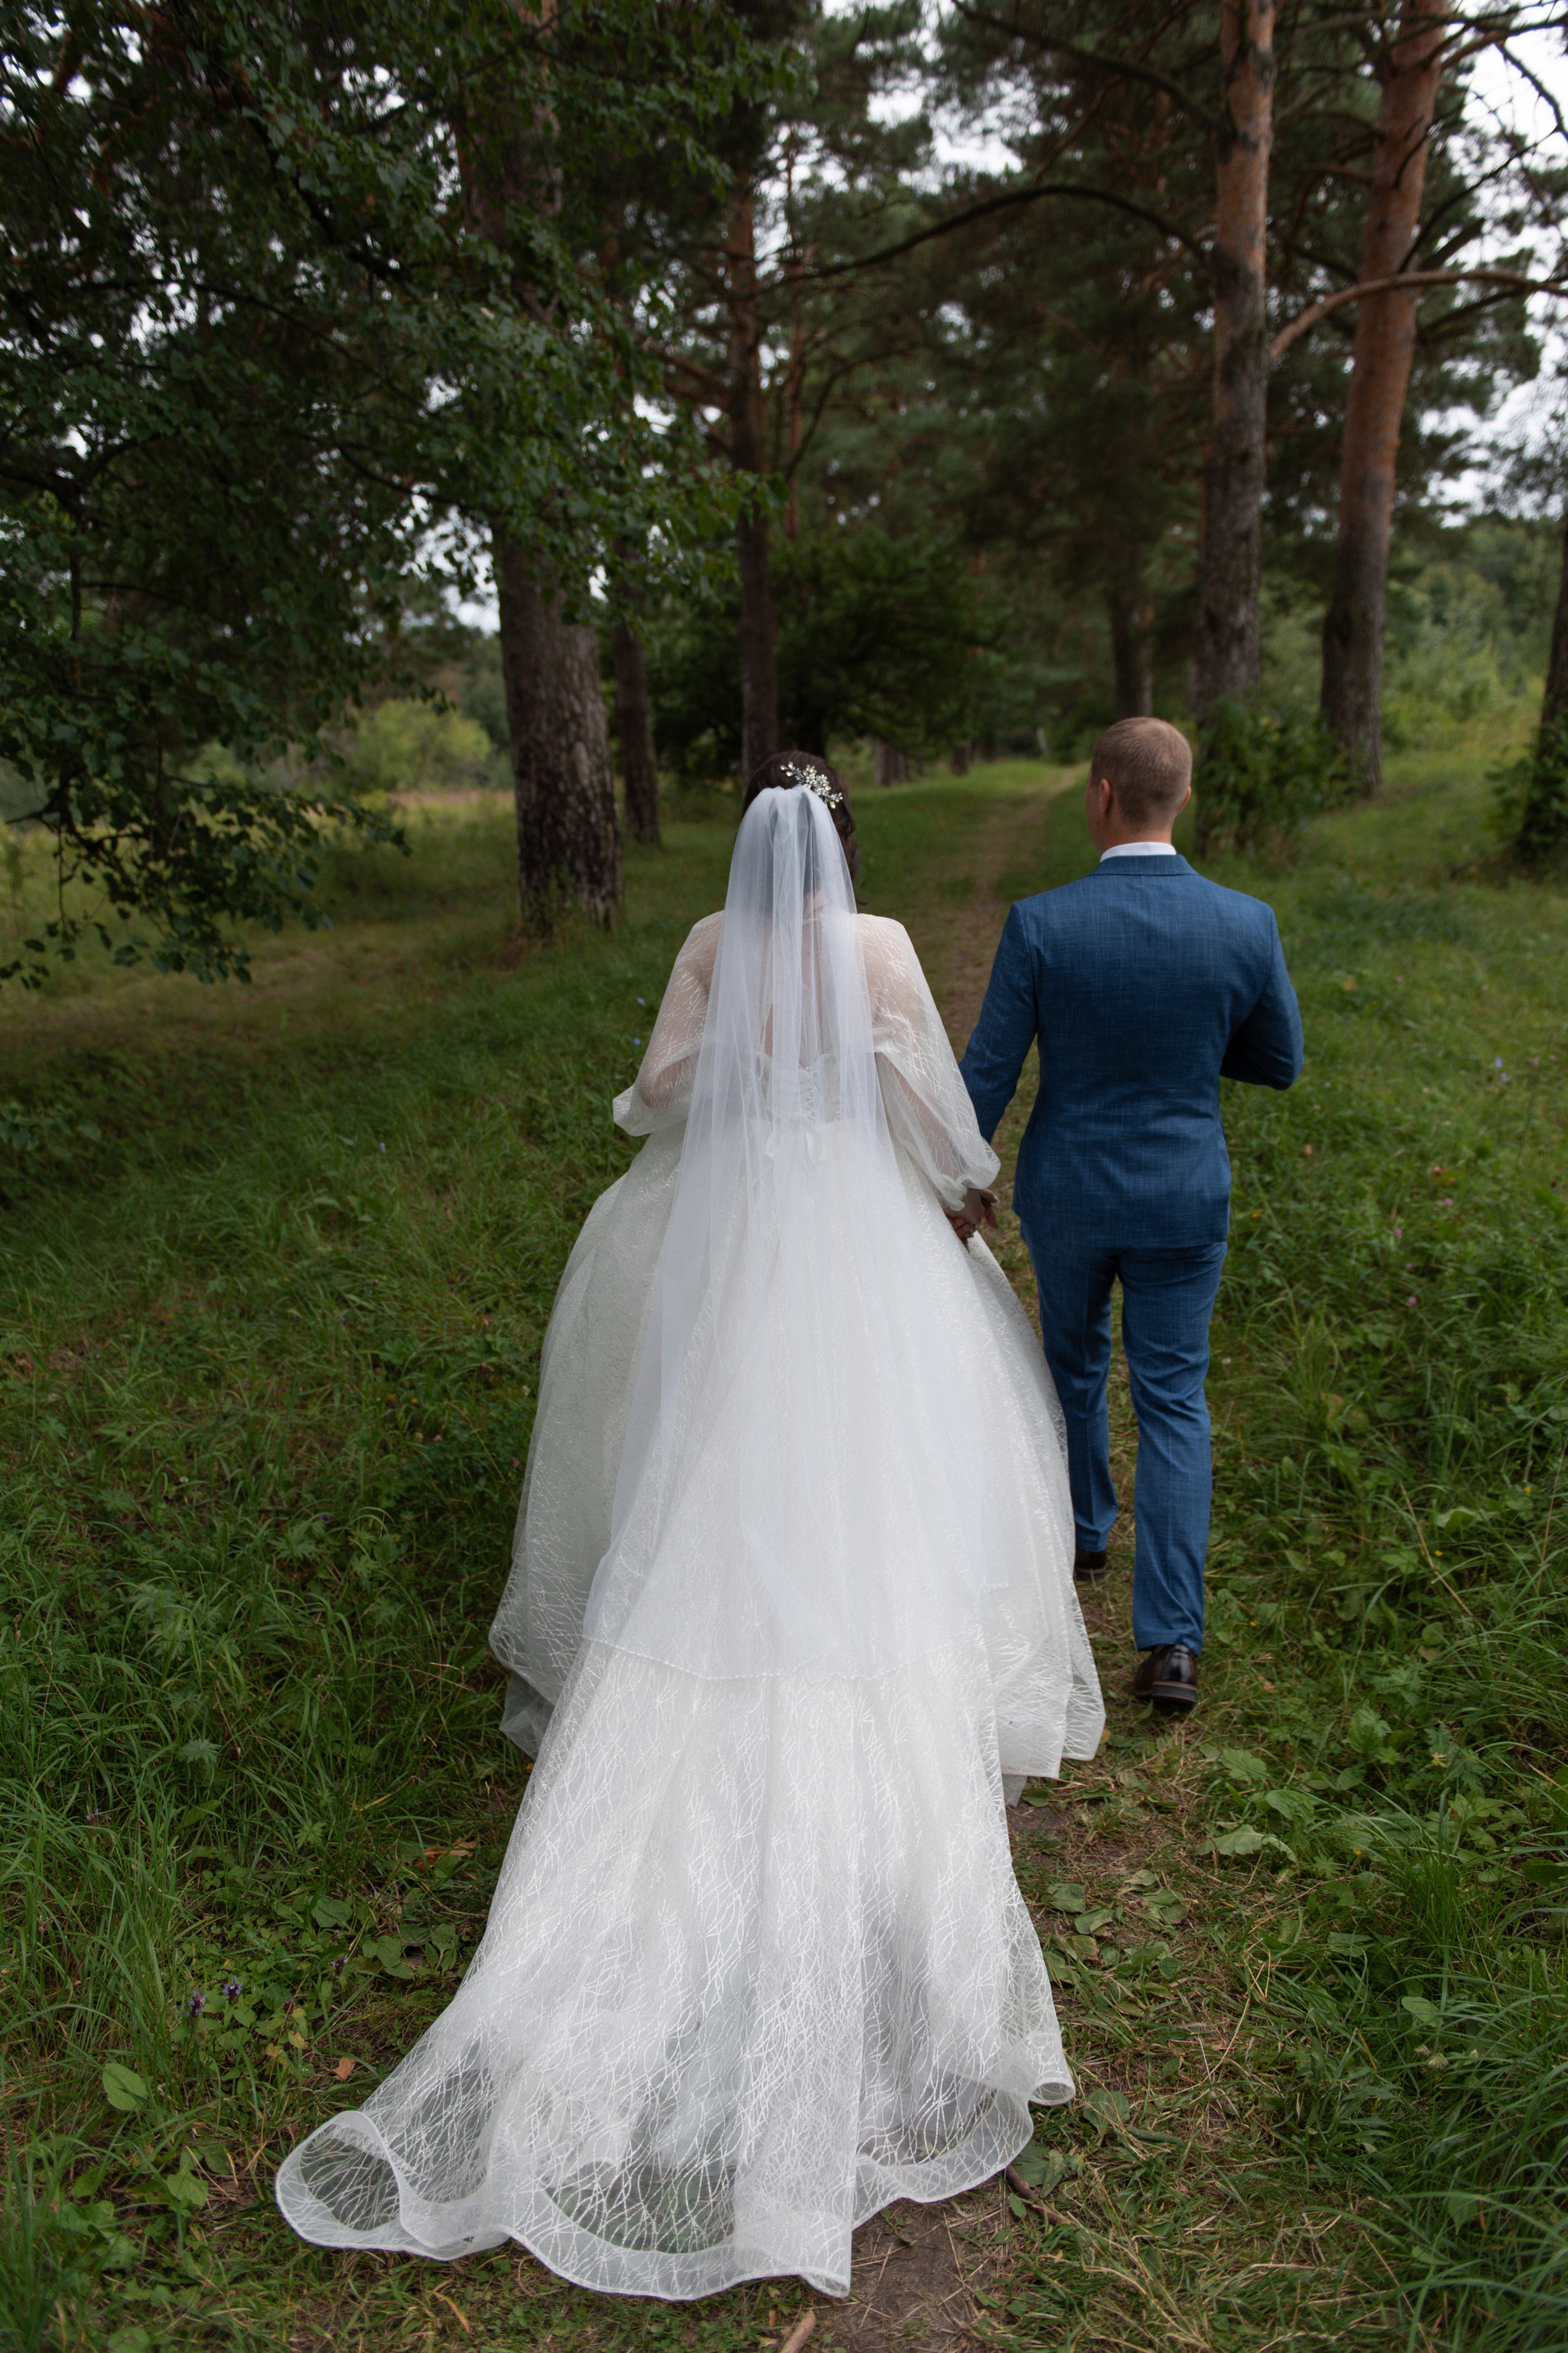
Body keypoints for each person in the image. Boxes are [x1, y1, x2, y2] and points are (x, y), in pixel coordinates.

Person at [277, 752, 1103, 2302]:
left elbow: (647, 1096)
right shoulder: (878, 953)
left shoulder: (715, 953)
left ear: (746, 852)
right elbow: (925, 1101)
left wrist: (731, 1066)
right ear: (843, 848)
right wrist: (964, 1184)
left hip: (730, 1233)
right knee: (873, 1465)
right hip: (853, 1232)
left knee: (712, 1457)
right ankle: (863, 1679)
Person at [958, 717, 1303, 1716]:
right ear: (1180, 799)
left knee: (1070, 1366)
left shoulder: (1042, 923)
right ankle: (1173, 1646)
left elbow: (989, 1070)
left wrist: (958, 1179)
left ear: (1103, 794)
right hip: (1184, 1194)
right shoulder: (1245, 923)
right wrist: (1191, 1055)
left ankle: (1081, 1537)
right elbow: (1279, 1061)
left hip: (1069, 1191)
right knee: (1174, 1399)